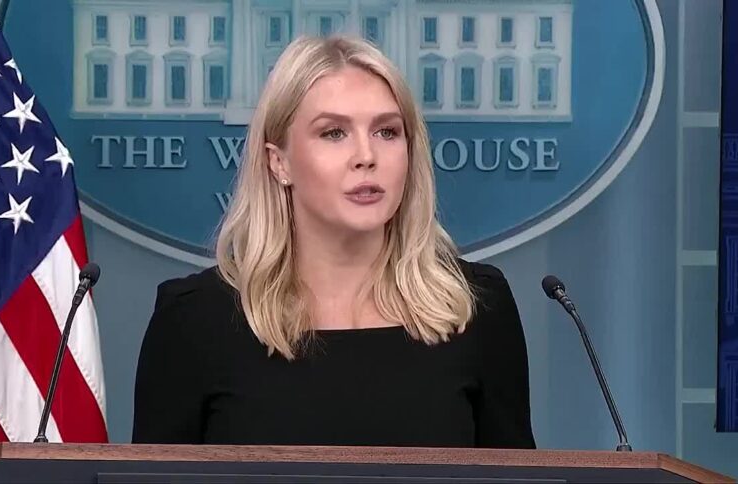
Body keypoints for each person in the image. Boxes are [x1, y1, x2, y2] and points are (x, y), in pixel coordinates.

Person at [132, 34, 535, 449]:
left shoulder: (475, 307)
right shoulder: (193, 320)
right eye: (334, 133)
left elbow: (519, 473)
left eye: (387, 132)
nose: (366, 156)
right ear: (279, 161)